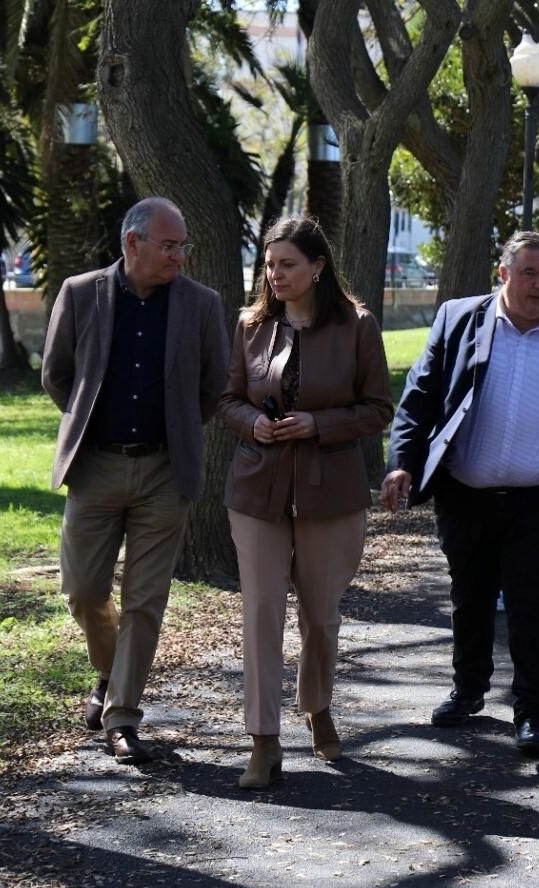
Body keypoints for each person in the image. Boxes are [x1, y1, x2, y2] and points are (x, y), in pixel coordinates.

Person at [381, 231, 539, 757]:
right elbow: (418, 399)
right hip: (467, 494)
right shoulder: (460, 319)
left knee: (536, 605)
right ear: (503, 275)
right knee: (472, 598)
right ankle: (468, 691)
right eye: (529, 273)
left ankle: (533, 711)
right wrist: (402, 464)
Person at [41, 197, 230, 763]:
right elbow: (57, 375)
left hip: (164, 471)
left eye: (182, 246)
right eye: (168, 245)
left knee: (146, 601)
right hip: (95, 465)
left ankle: (123, 715)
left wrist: (172, 429)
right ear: (133, 243)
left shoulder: (201, 304)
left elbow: (213, 385)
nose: (179, 256)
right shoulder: (80, 293)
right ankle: (108, 671)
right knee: (83, 592)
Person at [218, 217, 394, 789]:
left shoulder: (357, 325)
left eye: (287, 264)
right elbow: (226, 400)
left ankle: (317, 706)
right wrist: (253, 426)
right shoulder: (250, 325)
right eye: (270, 265)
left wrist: (319, 423)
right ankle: (263, 742)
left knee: (320, 615)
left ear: (317, 267)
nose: (276, 275)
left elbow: (377, 409)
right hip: (256, 490)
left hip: (330, 494)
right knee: (261, 612)